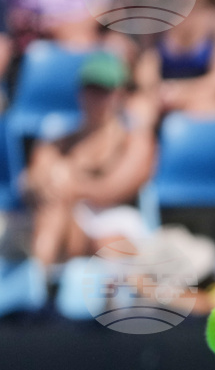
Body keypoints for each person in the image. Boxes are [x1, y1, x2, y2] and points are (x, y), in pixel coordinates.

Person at [20, 51, 156, 271]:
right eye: (91, 89)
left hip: (113, 222)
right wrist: (43, 183)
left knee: (104, 243)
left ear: (119, 94)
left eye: (105, 90)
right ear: (80, 91)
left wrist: (69, 184)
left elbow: (113, 190)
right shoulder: (59, 139)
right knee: (52, 203)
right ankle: (38, 282)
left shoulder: (134, 141)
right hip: (70, 221)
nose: (97, 98)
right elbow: (34, 178)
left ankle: (38, 279)